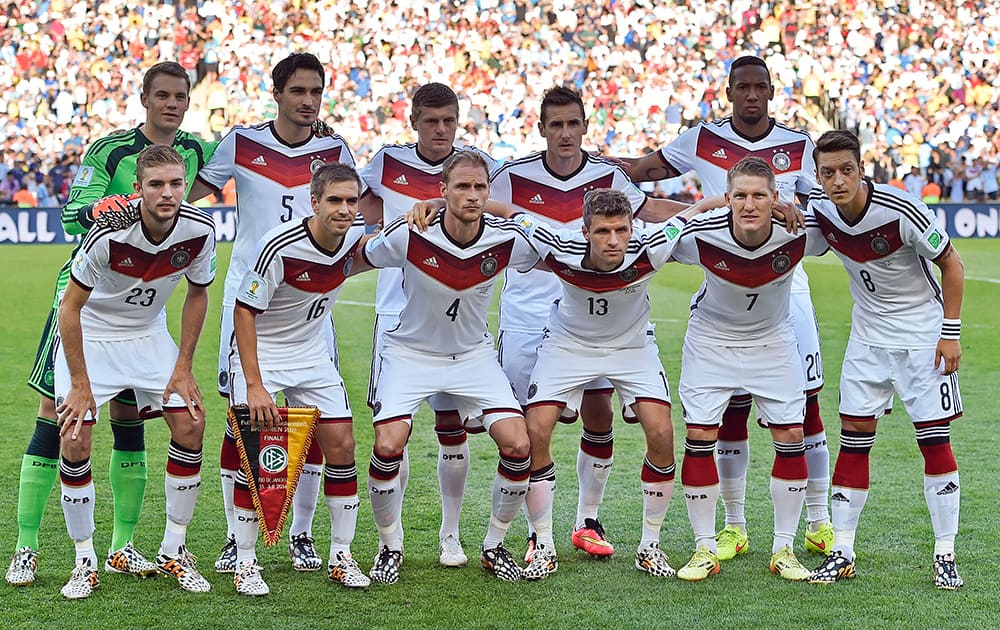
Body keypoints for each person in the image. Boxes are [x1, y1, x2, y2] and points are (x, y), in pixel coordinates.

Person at [7, 61, 216, 587]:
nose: (172, 103)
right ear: (144, 98)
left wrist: (312, 134)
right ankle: (27, 547)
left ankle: (124, 547)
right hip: (85, 299)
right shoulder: (110, 150)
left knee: (130, 427)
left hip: (144, 308)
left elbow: (251, 157)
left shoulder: (196, 151)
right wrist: (106, 208)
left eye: (180, 95)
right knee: (54, 423)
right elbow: (72, 214)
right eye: (162, 95)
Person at [623, 55, 833, 560]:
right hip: (720, 274)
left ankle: (819, 521)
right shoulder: (701, 140)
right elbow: (639, 172)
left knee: (805, 407)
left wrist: (796, 211)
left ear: (772, 92)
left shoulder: (799, 145)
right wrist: (676, 207)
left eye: (761, 87)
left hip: (786, 286)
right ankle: (734, 526)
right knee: (730, 409)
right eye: (743, 87)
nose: (752, 95)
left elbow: (822, 207)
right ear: (729, 92)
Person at [489, 85, 692, 561]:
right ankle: (534, 531)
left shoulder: (610, 176)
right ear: (541, 129)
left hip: (604, 314)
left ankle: (587, 520)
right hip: (528, 311)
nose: (564, 133)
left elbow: (646, 216)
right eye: (555, 124)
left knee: (599, 411)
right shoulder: (511, 176)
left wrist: (718, 209)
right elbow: (488, 219)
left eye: (572, 123)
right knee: (525, 430)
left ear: (585, 126)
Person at [188, 52, 359, 575]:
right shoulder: (241, 142)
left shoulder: (335, 148)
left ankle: (302, 535)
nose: (308, 101)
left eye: (316, 92)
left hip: (309, 310)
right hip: (250, 299)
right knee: (241, 425)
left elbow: (359, 210)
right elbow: (193, 196)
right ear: (278, 93)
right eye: (299, 91)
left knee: (312, 423)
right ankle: (233, 538)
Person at [500, 188, 705, 580]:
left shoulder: (652, 246)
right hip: (568, 346)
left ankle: (650, 546)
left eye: (621, 230)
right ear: (584, 231)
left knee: (661, 431)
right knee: (536, 431)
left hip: (631, 347)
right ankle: (543, 542)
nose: (613, 241)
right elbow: (511, 212)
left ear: (632, 229)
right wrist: (439, 206)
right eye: (603, 232)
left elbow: (695, 212)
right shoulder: (557, 246)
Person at [362, 151, 538, 584]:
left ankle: (494, 545)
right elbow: (361, 255)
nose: (472, 195)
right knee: (387, 444)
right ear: (442, 191)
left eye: (480, 187)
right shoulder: (410, 234)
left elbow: (538, 232)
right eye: (461, 187)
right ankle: (390, 546)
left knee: (518, 445)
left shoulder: (507, 240)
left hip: (472, 356)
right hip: (410, 353)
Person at [53, 144, 216, 598]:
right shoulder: (108, 234)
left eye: (176, 183)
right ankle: (84, 560)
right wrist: (81, 385)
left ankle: (173, 550)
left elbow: (198, 295)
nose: (168, 193)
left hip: (147, 334)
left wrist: (183, 367)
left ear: (186, 184)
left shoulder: (201, 230)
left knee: (191, 423)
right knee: (74, 435)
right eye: (157, 185)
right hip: (93, 332)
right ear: (138, 188)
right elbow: (70, 308)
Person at [805, 130, 966, 589]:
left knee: (933, 442)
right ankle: (842, 551)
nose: (838, 181)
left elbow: (952, 265)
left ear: (862, 169)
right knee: (854, 437)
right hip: (867, 339)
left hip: (921, 338)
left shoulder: (901, 210)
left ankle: (945, 554)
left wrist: (949, 334)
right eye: (828, 172)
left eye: (846, 170)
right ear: (818, 175)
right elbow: (802, 227)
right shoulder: (821, 210)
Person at [667, 157, 827, 582]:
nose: (749, 205)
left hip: (773, 342)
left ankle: (784, 548)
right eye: (740, 195)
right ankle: (704, 548)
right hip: (711, 343)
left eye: (760, 196)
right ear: (728, 199)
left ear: (776, 199)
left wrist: (796, 208)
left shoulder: (799, 233)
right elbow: (656, 238)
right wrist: (704, 206)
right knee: (700, 436)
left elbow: (840, 217)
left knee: (792, 435)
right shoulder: (702, 234)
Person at [358, 82, 496, 568]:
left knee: (451, 427)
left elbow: (502, 211)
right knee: (392, 431)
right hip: (397, 315)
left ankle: (451, 535)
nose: (441, 130)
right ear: (413, 120)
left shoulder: (474, 169)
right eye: (432, 121)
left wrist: (439, 206)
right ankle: (389, 544)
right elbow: (356, 201)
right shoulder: (386, 163)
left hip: (455, 321)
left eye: (450, 121)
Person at [227, 163, 373, 596]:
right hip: (263, 354)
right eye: (335, 200)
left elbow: (395, 242)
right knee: (258, 453)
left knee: (342, 444)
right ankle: (245, 559)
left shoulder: (354, 243)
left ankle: (341, 555)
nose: (344, 210)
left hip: (311, 354)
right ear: (314, 202)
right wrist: (255, 385)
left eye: (351, 201)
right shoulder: (280, 245)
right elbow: (243, 311)